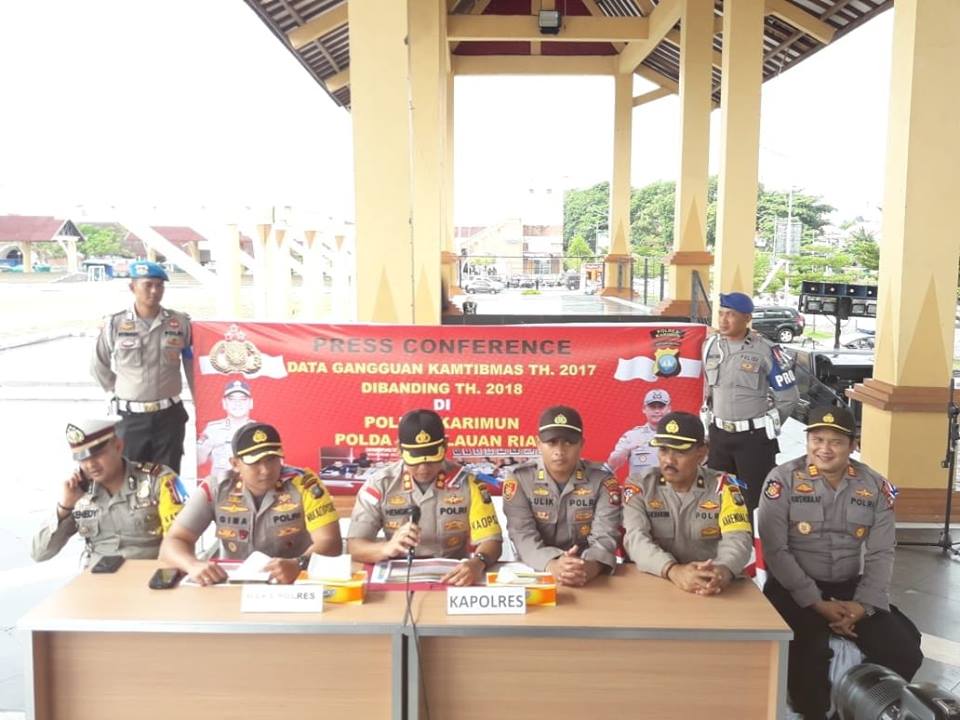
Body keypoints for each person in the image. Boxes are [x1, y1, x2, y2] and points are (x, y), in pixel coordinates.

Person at [758, 406, 923, 719]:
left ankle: (861, 710)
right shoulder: (782, 481)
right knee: (807, 655)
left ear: (852, 444)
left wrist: (863, 606)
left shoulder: (874, 486)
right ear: (807, 441)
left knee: (905, 649)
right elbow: (776, 551)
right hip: (793, 589)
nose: (824, 448)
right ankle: (814, 712)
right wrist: (817, 603)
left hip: (850, 589)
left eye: (835, 441)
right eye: (817, 438)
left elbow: (881, 552)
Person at [160, 422, 342, 585]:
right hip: (232, 583)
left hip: (293, 581)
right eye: (255, 462)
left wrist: (299, 564)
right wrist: (192, 565)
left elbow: (331, 543)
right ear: (235, 464)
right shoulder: (215, 488)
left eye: (272, 460)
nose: (266, 470)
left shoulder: (305, 484)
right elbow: (173, 542)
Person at [347, 409, 502, 587]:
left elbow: (491, 540)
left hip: (454, 578)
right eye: (415, 459)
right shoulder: (379, 485)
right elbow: (355, 546)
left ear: (445, 445)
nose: (423, 468)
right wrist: (386, 548)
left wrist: (477, 563)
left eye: (431, 459)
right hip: (397, 578)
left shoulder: (470, 484)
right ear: (399, 449)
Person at [622, 412, 752, 594]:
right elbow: (635, 539)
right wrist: (673, 570)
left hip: (708, 586)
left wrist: (721, 571)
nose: (668, 460)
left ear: (702, 452)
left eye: (680, 451)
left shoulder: (725, 486)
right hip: (652, 582)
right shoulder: (639, 485)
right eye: (663, 450)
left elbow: (738, 538)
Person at [32, 418, 186, 567]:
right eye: (82, 459)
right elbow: (40, 553)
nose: (90, 465)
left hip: (148, 575)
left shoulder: (163, 480)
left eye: (97, 455)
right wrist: (64, 508)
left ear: (118, 446)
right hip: (97, 578)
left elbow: (181, 539)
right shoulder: (78, 491)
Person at [90, 260, 194, 474]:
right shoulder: (114, 324)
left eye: (160, 285)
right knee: (129, 476)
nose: (154, 291)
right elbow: (98, 365)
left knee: (168, 478)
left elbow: (192, 365)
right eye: (148, 285)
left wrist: (201, 401)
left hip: (169, 417)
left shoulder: (180, 323)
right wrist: (119, 390)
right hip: (130, 419)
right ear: (132, 287)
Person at [502, 405, 621, 586]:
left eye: (568, 442)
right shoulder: (520, 479)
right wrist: (551, 564)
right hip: (536, 570)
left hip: (587, 573)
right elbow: (522, 535)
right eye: (552, 442)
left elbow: (606, 534)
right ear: (538, 444)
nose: (560, 450)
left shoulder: (602, 481)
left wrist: (591, 567)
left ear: (581, 443)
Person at [702, 291, 799, 512]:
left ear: (747, 318)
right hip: (719, 437)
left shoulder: (766, 350)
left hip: (753, 440)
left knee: (754, 502)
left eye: (731, 315)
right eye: (721, 314)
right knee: (716, 497)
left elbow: (789, 397)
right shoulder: (710, 347)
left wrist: (768, 427)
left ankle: (753, 546)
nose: (723, 320)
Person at [197, 378, 256, 478]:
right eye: (232, 399)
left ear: (251, 403)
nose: (237, 403)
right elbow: (197, 460)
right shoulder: (212, 430)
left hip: (252, 488)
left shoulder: (260, 430)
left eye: (243, 399)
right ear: (224, 403)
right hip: (220, 488)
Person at [606, 388, 672, 476]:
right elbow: (612, 465)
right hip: (641, 488)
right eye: (652, 407)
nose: (657, 411)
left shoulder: (680, 435)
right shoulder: (632, 435)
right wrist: (625, 450)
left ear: (669, 409)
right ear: (644, 409)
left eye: (661, 406)